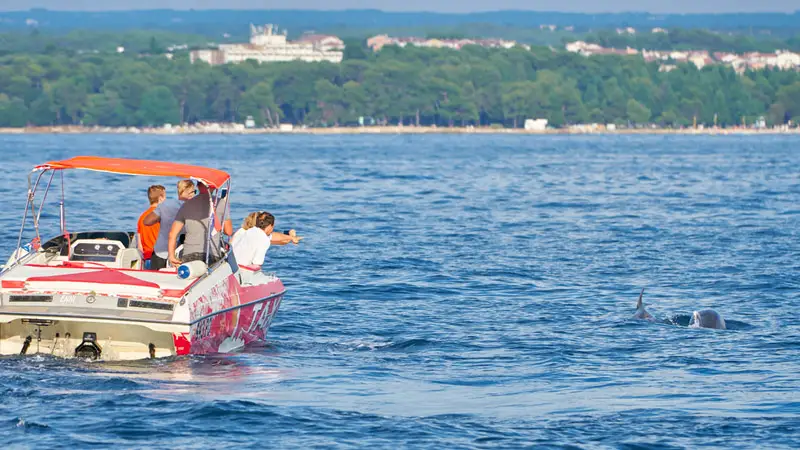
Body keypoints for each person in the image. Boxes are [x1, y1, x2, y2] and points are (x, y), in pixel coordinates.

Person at [167, 182, 233, 267]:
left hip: (189, 254)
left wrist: (171, 256)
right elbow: (228, 231)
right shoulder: (220, 203)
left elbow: (172, 234)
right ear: (213, 187)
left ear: (197, 186)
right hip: (212, 254)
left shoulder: (186, 205)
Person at [231, 211, 301, 284]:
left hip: (230, 268)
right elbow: (257, 264)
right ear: (270, 226)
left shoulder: (248, 231)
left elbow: (275, 237)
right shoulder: (264, 239)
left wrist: (290, 237)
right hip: (241, 273)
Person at [143, 179, 195, 270]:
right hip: (182, 254)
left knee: (156, 280)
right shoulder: (195, 208)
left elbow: (147, 221)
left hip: (160, 252)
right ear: (190, 193)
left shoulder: (166, 204)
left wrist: (161, 218)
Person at [137, 184, 165, 268]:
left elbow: (139, 245)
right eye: (165, 197)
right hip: (159, 258)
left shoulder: (142, 217)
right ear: (160, 198)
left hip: (146, 259)